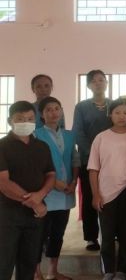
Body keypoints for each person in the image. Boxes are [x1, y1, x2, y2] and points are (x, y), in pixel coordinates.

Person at [88, 99, 126, 280]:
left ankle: (122, 271)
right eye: (117, 112)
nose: (121, 116)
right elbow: (93, 168)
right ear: (110, 114)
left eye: (125, 113)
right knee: (108, 234)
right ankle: (109, 270)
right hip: (105, 193)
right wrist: (96, 194)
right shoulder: (101, 137)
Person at [0, 101, 54, 280]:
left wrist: (39, 196)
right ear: (10, 121)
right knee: (3, 263)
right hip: (7, 214)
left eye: (30, 118)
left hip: (34, 217)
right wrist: (34, 203)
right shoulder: (2, 146)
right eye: (20, 119)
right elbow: (4, 183)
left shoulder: (42, 147)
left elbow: (51, 175)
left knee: (28, 263)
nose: (26, 122)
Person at [33, 97, 80, 280]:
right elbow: (37, 165)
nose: (53, 113)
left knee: (58, 234)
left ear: (61, 111)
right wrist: (55, 183)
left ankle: (53, 271)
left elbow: (75, 159)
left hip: (66, 192)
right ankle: (36, 272)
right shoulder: (37, 135)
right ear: (42, 115)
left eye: (56, 109)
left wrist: (74, 181)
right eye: (48, 110)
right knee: (39, 235)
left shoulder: (69, 135)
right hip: (46, 193)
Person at [73, 69, 112, 252]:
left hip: (112, 160)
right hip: (88, 160)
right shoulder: (81, 107)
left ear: (106, 83)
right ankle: (91, 237)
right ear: (88, 85)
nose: (99, 83)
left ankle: (117, 232)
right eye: (94, 81)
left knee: (114, 197)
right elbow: (78, 133)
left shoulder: (114, 105)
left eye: (102, 80)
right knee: (90, 196)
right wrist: (93, 154)